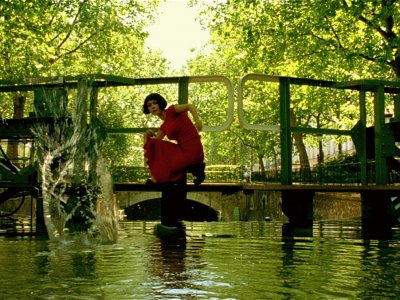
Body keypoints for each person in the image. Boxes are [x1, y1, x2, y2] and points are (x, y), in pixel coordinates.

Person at [143, 93, 205, 185]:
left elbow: (189, 106)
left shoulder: (172, 110)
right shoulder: (164, 127)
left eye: (155, 103)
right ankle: (157, 178)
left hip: (193, 149)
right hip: (182, 151)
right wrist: (146, 136)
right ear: (148, 109)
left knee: (167, 169)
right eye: (149, 105)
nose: (152, 106)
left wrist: (197, 121)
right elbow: (154, 144)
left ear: (160, 103)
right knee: (153, 144)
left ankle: (159, 179)